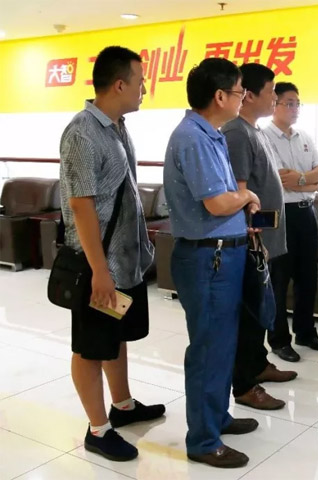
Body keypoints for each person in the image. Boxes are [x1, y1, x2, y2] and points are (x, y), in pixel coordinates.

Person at [59, 46, 165, 462]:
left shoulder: (117, 127)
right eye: (141, 81)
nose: (145, 89)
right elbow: (81, 205)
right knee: (90, 346)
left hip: (123, 260)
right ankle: (98, 430)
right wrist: (99, 271)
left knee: (115, 335)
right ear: (119, 84)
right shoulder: (82, 132)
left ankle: (122, 406)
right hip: (97, 264)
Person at [163, 58, 262, 469]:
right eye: (240, 92)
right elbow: (218, 202)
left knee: (222, 344)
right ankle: (203, 440)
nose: (243, 98)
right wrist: (247, 196)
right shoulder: (194, 137)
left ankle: (217, 417)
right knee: (208, 348)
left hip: (223, 253)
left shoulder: (211, 134)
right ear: (220, 96)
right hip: (208, 258)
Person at [223, 63, 298, 409]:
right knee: (249, 315)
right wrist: (256, 241)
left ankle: (258, 364)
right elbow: (239, 193)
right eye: (270, 92)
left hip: (266, 238)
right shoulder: (236, 133)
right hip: (254, 241)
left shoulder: (254, 130)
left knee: (261, 310)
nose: (275, 98)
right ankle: (245, 384)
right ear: (249, 95)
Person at [263, 82, 318, 361]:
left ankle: (305, 332)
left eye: (297, 103)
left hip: (306, 213)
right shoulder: (264, 137)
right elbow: (281, 179)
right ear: (274, 104)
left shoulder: (304, 136)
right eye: (288, 103)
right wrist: (309, 183)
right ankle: (279, 340)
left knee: (307, 276)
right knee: (279, 279)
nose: (294, 109)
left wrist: (303, 180)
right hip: (281, 215)